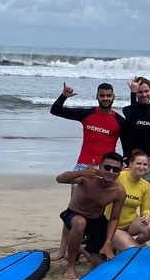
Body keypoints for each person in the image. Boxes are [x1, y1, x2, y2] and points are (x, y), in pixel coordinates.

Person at [50, 81, 126, 261]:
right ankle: (63, 249)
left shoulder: (119, 121)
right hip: (84, 167)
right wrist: (63, 97)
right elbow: (56, 111)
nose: (105, 98)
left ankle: (98, 243)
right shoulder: (87, 114)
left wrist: (126, 163)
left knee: (102, 209)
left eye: (109, 95)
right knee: (74, 209)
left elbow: (128, 145)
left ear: (113, 97)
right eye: (102, 95)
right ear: (97, 96)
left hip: (109, 169)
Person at [55, 152, 127, 280]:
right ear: (100, 166)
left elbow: (114, 218)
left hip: (96, 220)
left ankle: (81, 249)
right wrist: (81, 172)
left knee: (99, 264)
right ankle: (71, 265)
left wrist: (108, 243)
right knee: (79, 222)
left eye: (115, 169)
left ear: (120, 172)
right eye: (107, 167)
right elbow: (60, 178)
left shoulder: (119, 191)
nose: (110, 172)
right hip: (74, 214)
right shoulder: (87, 177)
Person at [108, 149, 150, 252]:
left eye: (145, 164)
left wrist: (147, 215)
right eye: (138, 163)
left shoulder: (146, 185)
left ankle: (130, 243)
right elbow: (102, 181)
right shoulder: (119, 176)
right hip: (113, 226)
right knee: (133, 250)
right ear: (130, 164)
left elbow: (145, 208)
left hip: (131, 224)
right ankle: (125, 244)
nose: (141, 167)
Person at [122, 77, 150, 194]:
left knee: (145, 197)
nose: (144, 95)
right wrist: (132, 93)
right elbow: (133, 120)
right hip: (132, 159)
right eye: (140, 92)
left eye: (146, 91)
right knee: (128, 197)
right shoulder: (128, 110)